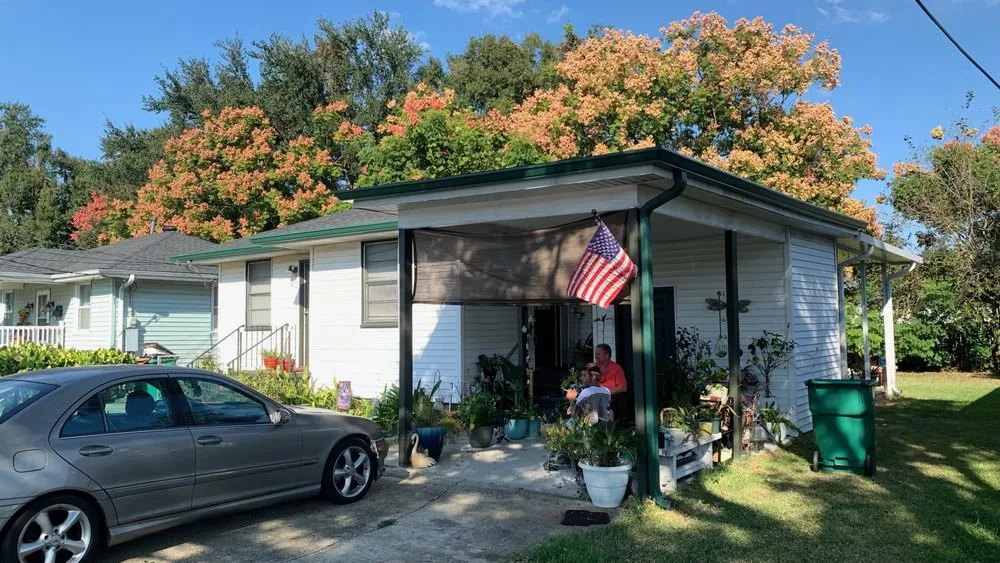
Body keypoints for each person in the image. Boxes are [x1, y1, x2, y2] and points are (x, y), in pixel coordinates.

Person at [595, 343, 628, 422]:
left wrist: (607, 392)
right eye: (595, 354)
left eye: (598, 354)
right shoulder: (594, 367)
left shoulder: (616, 368)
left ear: (607, 355)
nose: (596, 356)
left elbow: (623, 387)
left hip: (611, 397)